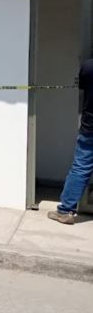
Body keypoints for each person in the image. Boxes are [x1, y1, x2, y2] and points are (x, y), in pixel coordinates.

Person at [48, 58, 93, 225]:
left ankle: (65, 211)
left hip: (90, 128)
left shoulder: (88, 67)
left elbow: (82, 89)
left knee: (81, 168)